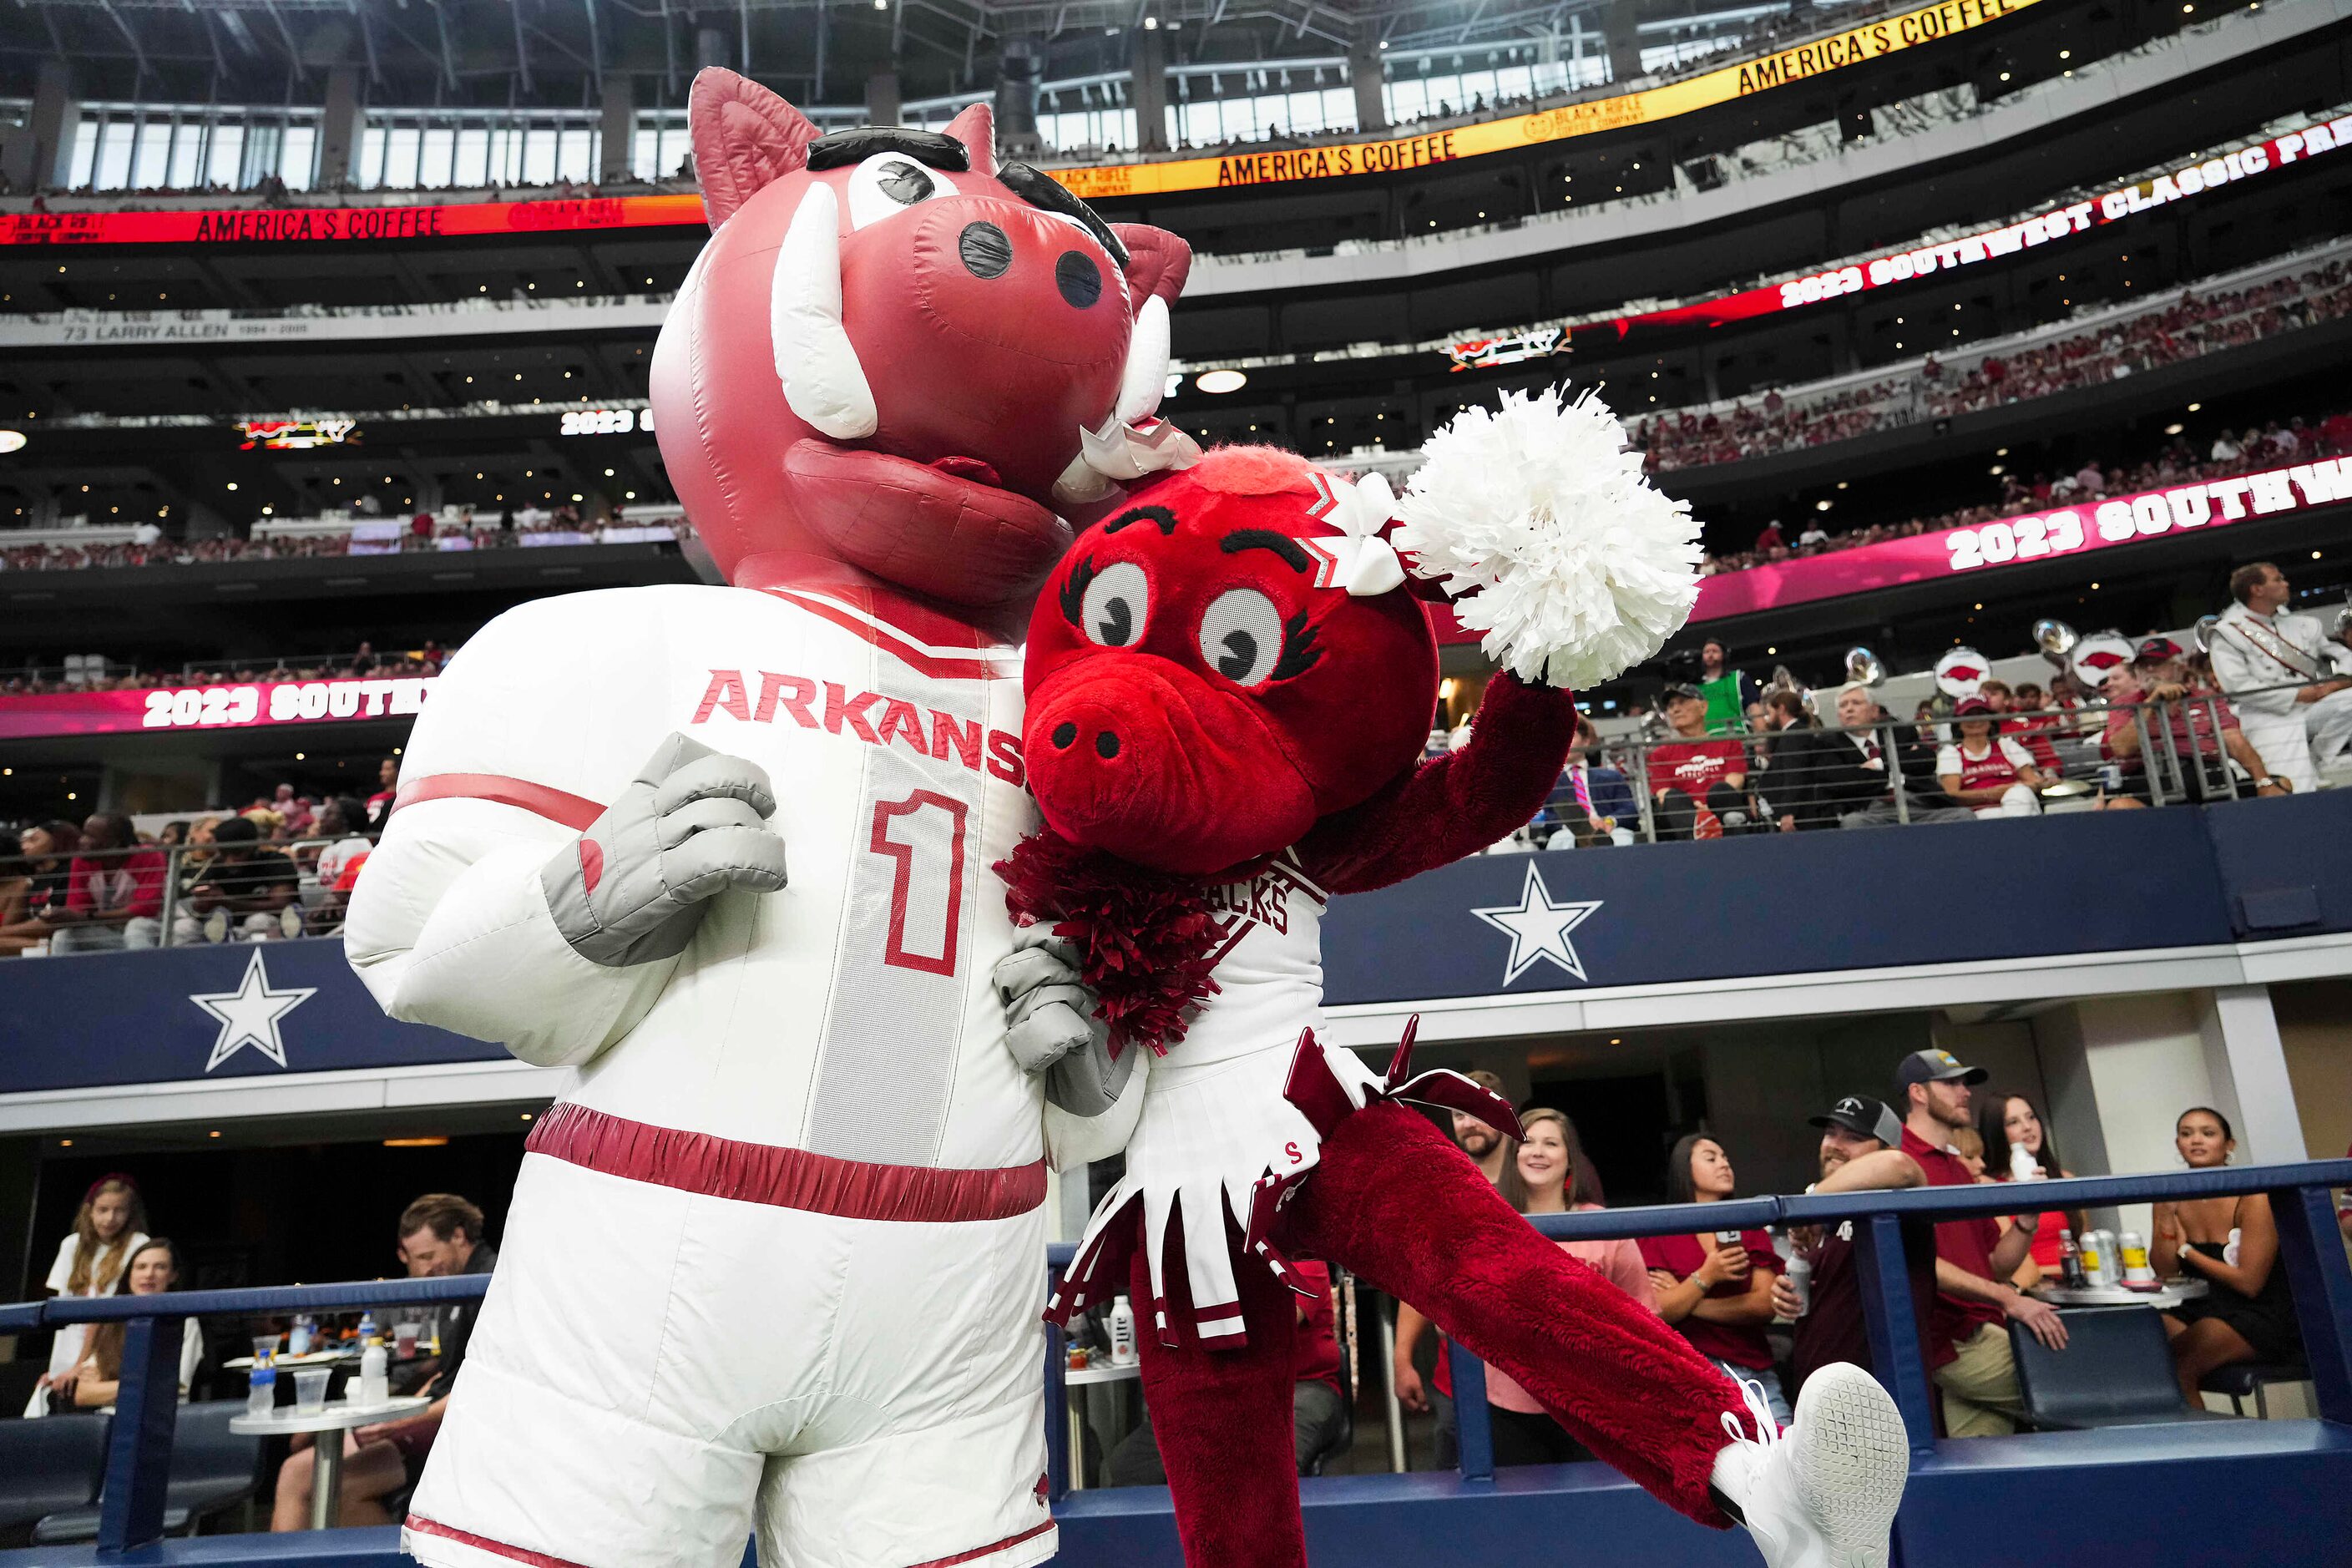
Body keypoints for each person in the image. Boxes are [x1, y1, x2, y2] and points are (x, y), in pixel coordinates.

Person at [273, 1194, 498, 1531]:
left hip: (460, 1429)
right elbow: (450, 1373)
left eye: (429, 1256)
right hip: (435, 1417)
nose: (422, 1269)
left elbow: (485, 1385)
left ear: (459, 1236)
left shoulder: (487, 1280)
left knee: (333, 1486)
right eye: (416, 1259)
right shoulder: (455, 1285)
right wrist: (405, 1408)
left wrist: (405, 1421)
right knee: (295, 1469)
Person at [1894, 1050, 2068, 1438]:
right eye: (1951, 1083)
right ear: (1918, 1093)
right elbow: (1918, 1262)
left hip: (1979, 1329)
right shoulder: (1899, 1163)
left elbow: (1995, 1263)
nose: (1965, 1092)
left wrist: (2027, 1216)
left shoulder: (1957, 1167)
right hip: (1950, 1338)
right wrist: (2009, 1298)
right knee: (2078, 1387)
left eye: (1965, 1083)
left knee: (1986, 1462)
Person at [1485, 1109, 1654, 1465]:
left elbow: (1645, 1315)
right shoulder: (1489, 1223)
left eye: (1551, 1143)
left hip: (1597, 1406)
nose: (1538, 1152)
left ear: (1570, 1160)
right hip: (1511, 1406)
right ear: (1514, 1155)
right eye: (1528, 1142)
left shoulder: (1604, 1226)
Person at [1109, 1257, 1348, 1484]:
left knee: (1271, 1461)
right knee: (1128, 1465)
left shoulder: (1302, 1258)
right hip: (1228, 1391)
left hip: (1301, 1387)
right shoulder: (1212, 1256)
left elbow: (1274, 1327)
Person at [1772, 1096, 1939, 1404]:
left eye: (1854, 1138)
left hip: (1885, 1400)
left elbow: (1900, 1166)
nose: (1835, 1144)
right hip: (1819, 1395)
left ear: (1885, 1147)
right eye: (1831, 1133)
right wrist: (1785, 1293)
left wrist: (1808, 1205)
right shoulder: (1819, 1218)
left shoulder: (1898, 1202)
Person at [1393, 1072, 1514, 1464]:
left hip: (1529, 1378)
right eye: (1458, 1115)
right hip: (1458, 1377)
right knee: (1455, 1490)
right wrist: (1402, 1357)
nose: (1468, 1123)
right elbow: (1420, 1277)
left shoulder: (1537, 1177)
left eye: (1476, 1112)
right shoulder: (1440, 1185)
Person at [2152, 1108, 2301, 1404]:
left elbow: (2250, 1283)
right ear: (2177, 1143)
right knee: (2146, 1334)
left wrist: (2188, 1251)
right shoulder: (2170, 1194)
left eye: (2208, 1133)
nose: (2196, 1140)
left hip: (2260, 1312)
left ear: (2228, 1144)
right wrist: (2165, 1219)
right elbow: (2165, 1274)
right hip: (2204, 1306)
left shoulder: (2253, 1196)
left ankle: (2205, 1449)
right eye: (2186, 1133)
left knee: (2177, 1367)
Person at [1640, 1136, 1788, 1426]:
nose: (1724, 1164)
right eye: (1711, 1158)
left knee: (1788, 1452)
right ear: (1685, 1169)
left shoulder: (1747, 1224)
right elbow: (1657, 1311)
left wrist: (1691, 1301)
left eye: (1726, 1158)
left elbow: (1764, 1304)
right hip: (1688, 1377)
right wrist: (1707, 1275)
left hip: (1753, 1372)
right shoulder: (1659, 1229)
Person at [2209, 561, 2352, 792]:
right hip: (2266, 715)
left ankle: (2319, 757)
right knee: (2293, 787)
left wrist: (2335, 684)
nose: (2285, 583)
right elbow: (2238, 686)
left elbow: (2343, 655)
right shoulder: (2228, 633)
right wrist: (2297, 695)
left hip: (2311, 705)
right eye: (2277, 579)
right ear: (2257, 589)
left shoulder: (2302, 625)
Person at [27, 1174, 151, 1417]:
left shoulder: (138, 1244)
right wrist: (55, 1368)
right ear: (90, 1210)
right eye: (103, 1209)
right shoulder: (72, 1245)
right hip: (67, 1359)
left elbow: (106, 1317)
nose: (110, 1218)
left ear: (131, 1214)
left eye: (119, 1210)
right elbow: (62, 1314)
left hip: (102, 1360)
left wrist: (80, 1365)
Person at [2104, 637, 2284, 802]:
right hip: (2152, 780)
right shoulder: (2125, 704)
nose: (2150, 670)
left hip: (2208, 774)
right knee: (2120, 806)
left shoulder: (2205, 699)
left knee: (2281, 784)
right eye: (2143, 666)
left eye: (2157, 664)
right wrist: (2151, 703)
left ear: (2178, 667)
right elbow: (2122, 748)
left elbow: (2234, 741)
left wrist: (2263, 781)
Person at [1792, 685, 1974, 829]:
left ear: (1874, 711)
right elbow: (1840, 780)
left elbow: (1926, 760)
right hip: (1871, 810)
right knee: (1853, 824)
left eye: (1856, 703)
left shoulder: (1899, 732)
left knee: (1964, 816)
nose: (1849, 709)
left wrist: (1879, 763)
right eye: (1843, 705)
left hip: (1920, 803)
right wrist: (1895, 774)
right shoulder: (1827, 743)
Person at [55, 1238, 204, 1410]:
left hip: (159, 1420)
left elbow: (173, 1386)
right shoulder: (113, 1324)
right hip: (107, 1421)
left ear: (173, 1276)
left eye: (160, 1267)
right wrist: (141, 1383)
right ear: (130, 1274)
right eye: (141, 1267)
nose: (149, 1274)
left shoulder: (185, 1323)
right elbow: (83, 1394)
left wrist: (110, 1388)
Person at [1975, 1091, 2082, 1289]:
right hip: (2026, 1289)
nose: (2027, 1127)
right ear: (1997, 1132)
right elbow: (2002, 1261)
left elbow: (2084, 1244)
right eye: (2013, 1122)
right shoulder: (1987, 1186)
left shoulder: (2065, 1178)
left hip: (2075, 1284)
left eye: (2031, 1117)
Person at [50, 812, 168, 953]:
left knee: (136, 927)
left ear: (115, 842)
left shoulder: (149, 856)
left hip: (154, 930)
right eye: (83, 834)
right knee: (63, 935)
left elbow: (145, 909)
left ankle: (142, 973)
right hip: (112, 933)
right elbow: (78, 907)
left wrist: (89, 916)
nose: (82, 841)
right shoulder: (81, 861)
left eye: (91, 837)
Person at [174, 814, 301, 943]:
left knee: (257, 921)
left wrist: (227, 902)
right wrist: (202, 904)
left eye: (236, 854)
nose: (230, 862)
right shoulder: (217, 864)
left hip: (273, 928)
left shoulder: (276, 861)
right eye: (224, 854)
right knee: (183, 928)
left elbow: (281, 905)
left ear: (252, 846)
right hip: (228, 926)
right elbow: (196, 896)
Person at [1646, 685, 1749, 838]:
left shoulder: (1729, 743)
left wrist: (1706, 811)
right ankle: (1698, 833)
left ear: (1703, 707)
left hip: (1721, 812)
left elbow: (1735, 782)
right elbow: (1663, 794)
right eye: (1671, 705)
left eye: (1682, 702)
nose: (1675, 710)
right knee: (1672, 798)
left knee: (1721, 790)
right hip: (1687, 818)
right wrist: (1697, 814)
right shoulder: (1661, 754)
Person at [1935, 697, 2052, 817]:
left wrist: (2006, 790)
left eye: (1981, 714)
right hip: (1979, 814)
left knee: (2019, 793)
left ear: (1991, 720)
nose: (1975, 720)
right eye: (1968, 715)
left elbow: (2033, 782)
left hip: (2020, 804)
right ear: (1958, 723)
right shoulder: (1951, 754)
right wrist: (1989, 794)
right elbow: (1952, 795)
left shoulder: (2007, 746)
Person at [1547, 719, 1636, 847]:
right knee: (1560, 840)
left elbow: (1629, 809)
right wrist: (1575, 826)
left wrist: (1609, 822)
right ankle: (1585, 832)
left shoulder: (1611, 776)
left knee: (1623, 839)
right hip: (1569, 833)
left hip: (1608, 828)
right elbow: (1548, 818)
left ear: (1586, 742)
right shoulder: (1548, 783)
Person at [1696, 640, 1762, 737]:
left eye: (1715, 651)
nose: (1710, 654)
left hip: (1737, 736)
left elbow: (1754, 708)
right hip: (1705, 739)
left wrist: (1761, 735)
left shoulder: (1739, 678)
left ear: (1724, 655)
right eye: (1706, 652)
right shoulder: (1695, 686)